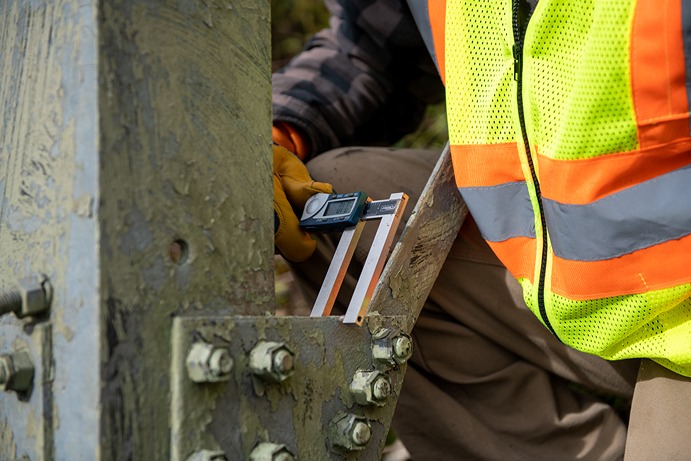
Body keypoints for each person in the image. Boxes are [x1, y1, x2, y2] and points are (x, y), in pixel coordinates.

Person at [271, 1, 691, 459]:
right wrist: (277, 133)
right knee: (341, 205)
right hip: (567, 280)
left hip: (681, 317)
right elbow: (369, 46)